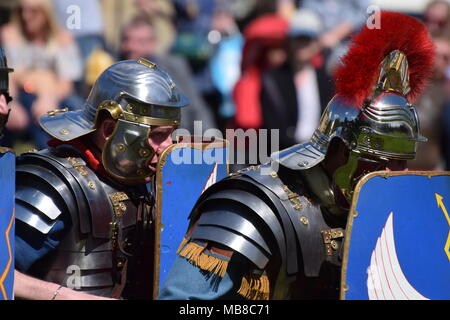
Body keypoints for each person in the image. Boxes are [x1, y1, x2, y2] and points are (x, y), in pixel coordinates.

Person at [158, 11, 435, 300]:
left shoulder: (382, 210)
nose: (395, 174)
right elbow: (182, 303)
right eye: (382, 162)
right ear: (339, 151)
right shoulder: (256, 205)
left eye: (402, 162)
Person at [14, 58, 189, 300]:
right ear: (109, 130)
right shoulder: (54, 183)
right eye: (157, 136)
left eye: (171, 135)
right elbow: (4, 276)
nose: (168, 147)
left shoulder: (141, 179)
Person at [1, 0, 83, 149]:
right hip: (20, 94)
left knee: (70, 106)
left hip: (55, 96)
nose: (26, 16)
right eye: (22, 10)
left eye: (33, 11)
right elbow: (9, 75)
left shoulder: (63, 39)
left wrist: (48, 97)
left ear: (46, 13)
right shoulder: (10, 35)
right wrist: (12, 102)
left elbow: (66, 83)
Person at [120, 15, 216, 133]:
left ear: (153, 42)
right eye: (126, 40)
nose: (131, 46)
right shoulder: (116, 74)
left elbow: (196, 108)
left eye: (139, 41)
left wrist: (208, 141)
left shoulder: (174, 67)